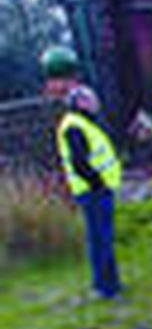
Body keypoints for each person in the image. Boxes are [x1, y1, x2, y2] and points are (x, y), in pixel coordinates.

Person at [43, 47, 123, 300]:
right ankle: (106, 288)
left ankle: (112, 284)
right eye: (90, 99)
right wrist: (98, 183)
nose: (95, 103)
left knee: (105, 239)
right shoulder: (74, 126)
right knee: (100, 240)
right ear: (79, 102)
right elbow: (80, 162)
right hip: (93, 191)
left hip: (99, 189)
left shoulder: (84, 123)